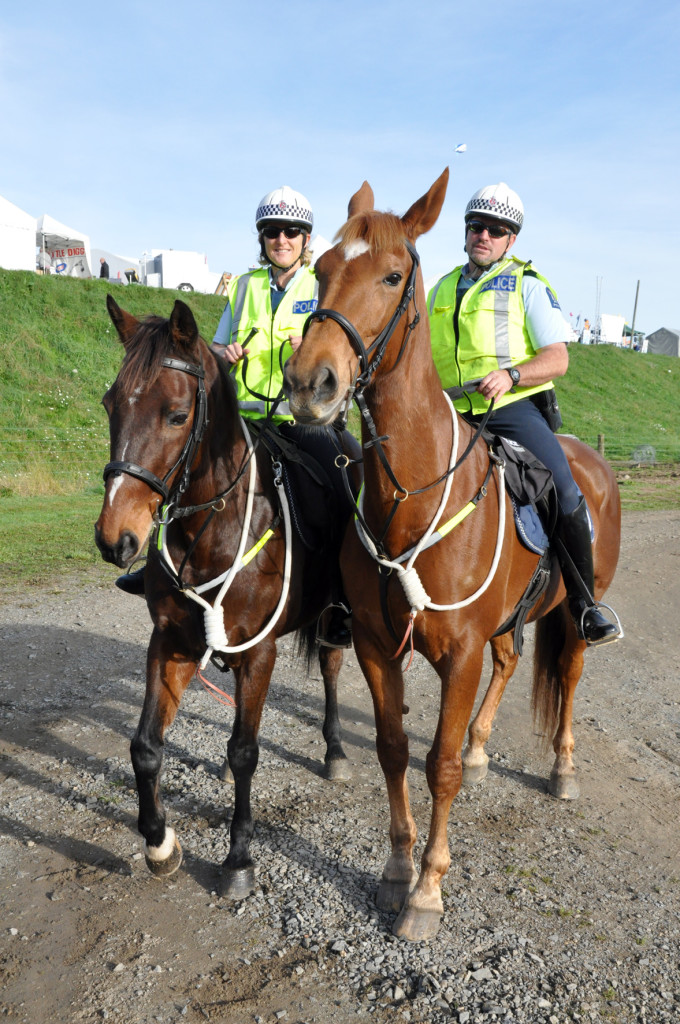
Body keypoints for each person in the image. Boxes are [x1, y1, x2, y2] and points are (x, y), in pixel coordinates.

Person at [117, 186, 357, 649]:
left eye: (291, 232)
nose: (281, 239)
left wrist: (305, 354)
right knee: (178, 465)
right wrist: (221, 354)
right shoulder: (245, 285)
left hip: (298, 418)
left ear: (306, 239)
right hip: (243, 415)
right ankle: (157, 566)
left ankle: (341, 597)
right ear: (262, 238)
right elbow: (210, 355)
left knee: (339, 477)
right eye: (271, 232)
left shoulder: (322, 285)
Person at [427, 183, 621, 646]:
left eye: (497, 229)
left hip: (509, 408)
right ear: (467, 230)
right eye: (477, 226)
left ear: (511, 239)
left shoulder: (527, 284)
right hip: (451, 412)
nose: (484, 235)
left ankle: (584, 605)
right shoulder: (440, 288)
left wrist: (512, 376)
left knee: (562, 484)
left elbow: (558, 358)